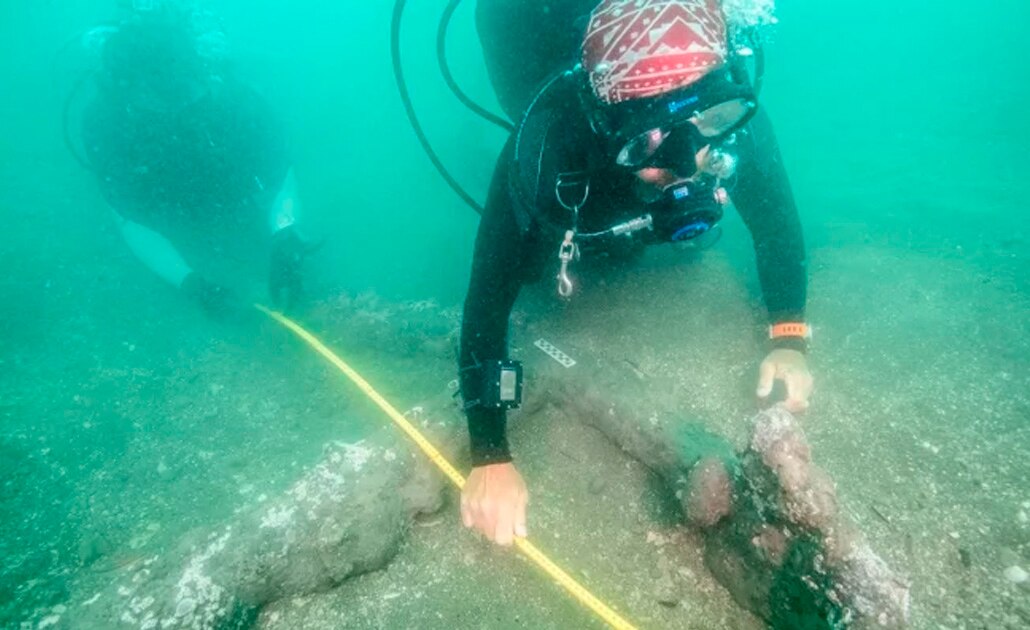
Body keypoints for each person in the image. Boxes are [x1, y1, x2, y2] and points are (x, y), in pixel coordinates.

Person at [460, 0, 814, 546]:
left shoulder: (729, 113)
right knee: (537, 270)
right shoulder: (550, 141)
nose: (689, 159)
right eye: (649, 140)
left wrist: (788, 334)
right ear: (608, 129)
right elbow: (488, 295)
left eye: (708, 120)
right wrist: (490, 453)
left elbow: (776, 224)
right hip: (534, 39)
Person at [78, 1, 313, 314]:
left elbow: (280, 167)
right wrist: (192, 284)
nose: (174, 110)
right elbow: (125, 215)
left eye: (182, 92)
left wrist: (285, 233)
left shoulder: (235, 101)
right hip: (168, 210)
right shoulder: (106, 122)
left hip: (230, 204)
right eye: (156, 96)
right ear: (129, 91)